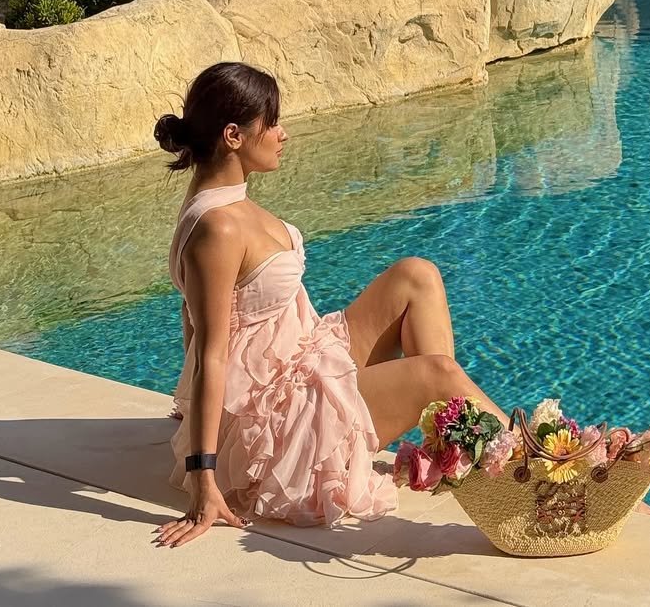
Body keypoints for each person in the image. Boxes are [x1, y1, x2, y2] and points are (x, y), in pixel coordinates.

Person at [151, 60, 509, 549]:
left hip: (302, 357)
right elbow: (211, 353)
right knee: (438, 375)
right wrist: (203, 476)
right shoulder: (220, 227)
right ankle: (545, 467)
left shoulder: (220, 202)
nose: (282, 134)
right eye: (271, 122)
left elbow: (191, 313)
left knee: (416, 276)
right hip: (281, 417)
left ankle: (449, 446)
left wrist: (187, 409)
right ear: (233, 136)